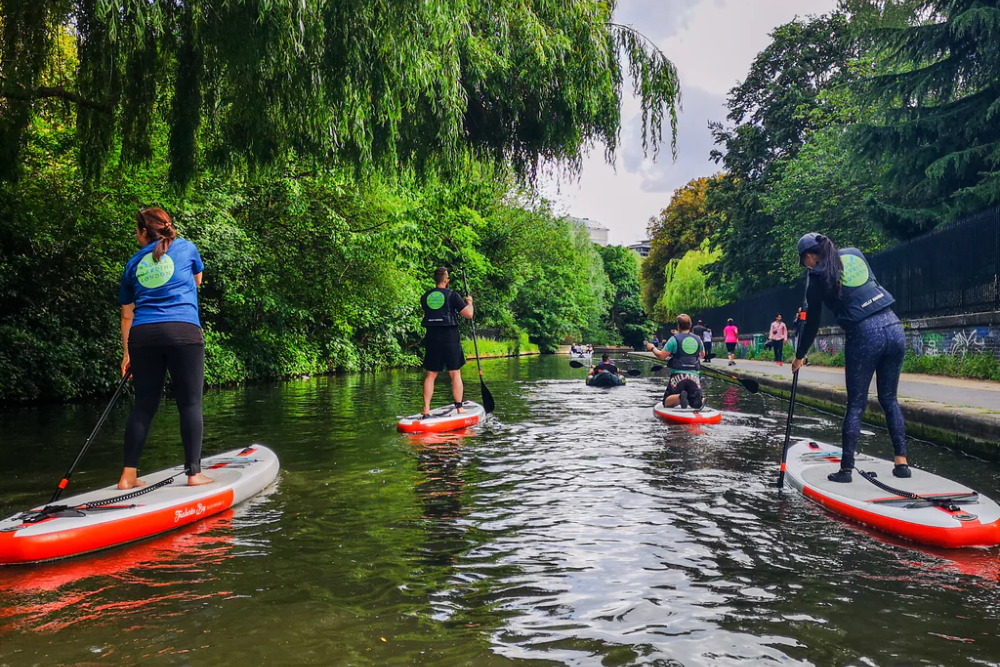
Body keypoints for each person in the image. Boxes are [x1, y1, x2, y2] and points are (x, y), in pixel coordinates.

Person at [793, 233, 909, 483]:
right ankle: (901, 464)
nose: (806, 266)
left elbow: (811, 324)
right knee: (889, 398)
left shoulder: (816, 278)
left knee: (856, 403)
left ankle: (846, 470)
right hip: (894, 327)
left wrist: (799, 355)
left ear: (810, 256)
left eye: (804, 262)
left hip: (865, 334)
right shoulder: (854, 253)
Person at [118, 208, 213, 490]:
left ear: (144, 232)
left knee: (144, 406)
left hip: (143, 335)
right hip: (183, 331)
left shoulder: (133, 263)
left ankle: (127, 476)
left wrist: (127, 354)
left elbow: (127, 314)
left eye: (136, 230)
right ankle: (194, 474)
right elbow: (197, 281)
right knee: (190, 402)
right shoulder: (187, 247)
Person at [421, 267, 474, 418]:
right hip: (450, 338)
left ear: (435, 280)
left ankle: (426, 409)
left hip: (432, 338)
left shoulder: (426, 296)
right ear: (446, 280)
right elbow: (468, 314)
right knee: (455, 373)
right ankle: (459, 408)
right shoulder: (452, 295)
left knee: (431, 375)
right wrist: (469, 302)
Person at [645, 314, 705, 409]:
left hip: (678, 375)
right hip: (694, 375)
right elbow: (702, 355)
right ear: (690, 325)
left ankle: (680, 397)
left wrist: (652, 348)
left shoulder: (674, 340)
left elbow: (661, 356)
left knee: (666, 402)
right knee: (693, 398)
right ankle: (699, 398)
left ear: (678, 325)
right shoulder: (698, 340)